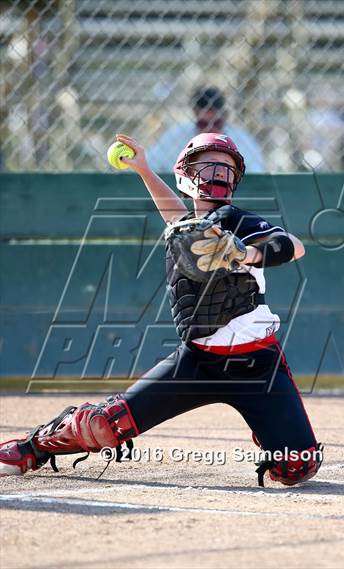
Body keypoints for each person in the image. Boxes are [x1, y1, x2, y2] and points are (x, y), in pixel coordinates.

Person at [0, 131, 322, 486]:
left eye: (227, 168)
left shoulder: (235, 220)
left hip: (257, 364)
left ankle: (270, 426)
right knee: (104, 425)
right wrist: (144, 170)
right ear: (185, 174)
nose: (218, 173)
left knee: (297, 466)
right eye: (207, 164)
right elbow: (180, 222)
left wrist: (245, 253)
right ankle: (32, 446)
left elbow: (293, 245)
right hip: (197, 362)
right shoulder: (187, 229)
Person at [147, 86, 265, 173]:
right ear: (194, 115)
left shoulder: (241, 140)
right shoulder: (177, 134)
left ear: (225, 116)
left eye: (217, 123)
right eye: (203, 124)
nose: (210, 129)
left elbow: (256, 173)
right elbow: (151, 164)